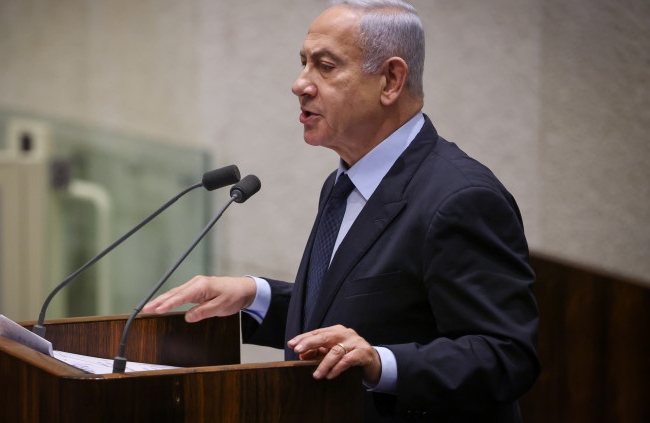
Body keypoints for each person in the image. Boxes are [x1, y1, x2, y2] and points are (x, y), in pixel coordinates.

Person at [143, 1, 539, 421]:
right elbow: (361, 312)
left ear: (390, 80)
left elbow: (506, 356)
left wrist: (380, 364)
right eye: (303, 63)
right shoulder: (344, 182)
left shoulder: (462, 199)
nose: (300, 84)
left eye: (325, 67)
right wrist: (256, 295)